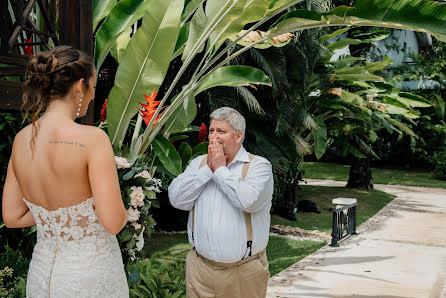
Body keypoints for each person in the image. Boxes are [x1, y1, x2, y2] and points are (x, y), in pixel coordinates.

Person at [1, 46, 129, 297]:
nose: (93, 94)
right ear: (80, 85)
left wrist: (57, 220)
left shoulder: (21, 140)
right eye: (93, 86)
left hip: (43, 274)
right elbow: (113, 222)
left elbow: (12, 217)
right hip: (89, 277)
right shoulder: (93, 139)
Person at [169, 107, 274, 297]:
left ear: (238, 136)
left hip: (243, 272)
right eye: (211, 131)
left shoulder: (259, 166)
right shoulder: (198, 164)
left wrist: (219, 170)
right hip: (199, 270)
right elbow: (177, 199)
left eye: (221, 131)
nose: (213, 137)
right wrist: (207, 170)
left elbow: (248, 200)